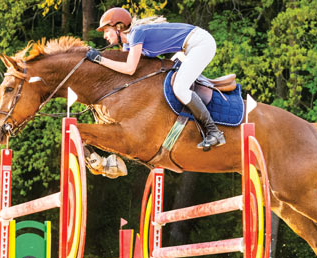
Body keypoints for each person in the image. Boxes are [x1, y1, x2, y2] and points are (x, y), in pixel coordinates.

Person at [86, 7, 225, 150]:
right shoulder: (128, 43)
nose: (104, 36)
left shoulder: (136, 34)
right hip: (188, 48)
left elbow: (129, 68)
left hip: (201, 44)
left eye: (106, 31)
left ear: (119, 27)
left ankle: (214, 132)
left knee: (180, 88)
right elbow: (126, 72)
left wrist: (100, 60)